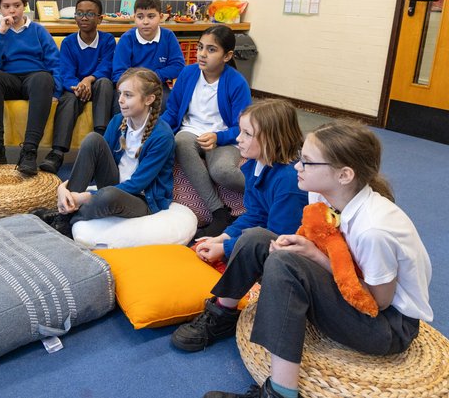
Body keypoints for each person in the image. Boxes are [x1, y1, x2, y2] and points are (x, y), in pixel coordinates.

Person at [173, 121, 432, 398]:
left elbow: (378, 301)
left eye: (307, 162)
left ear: (344, 175)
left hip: (386, 326)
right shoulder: (322, 193)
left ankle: (281, 393)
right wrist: (303, 246)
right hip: (353, 297)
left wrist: (314, 257)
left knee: (285, 265)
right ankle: (223, 315)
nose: (297, 166)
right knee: (257, 237)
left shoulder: (374, 230)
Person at [37, 68, 174, 237]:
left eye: (128, 95)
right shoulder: (118, 121)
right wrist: (63, 187)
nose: (121, 100)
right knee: (93, 139)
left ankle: (66, 218)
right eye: (120, 94)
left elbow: (137, 184)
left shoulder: (162, 136)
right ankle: (64, 212)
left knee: (108, 196)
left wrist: (86, 196)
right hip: (114, 182)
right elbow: (98, 162)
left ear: (149, 99)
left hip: (142, 198)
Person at [193, 99, 308, 266]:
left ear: (272, 139)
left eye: (247, 133)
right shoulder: (256, 163)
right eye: (240, 131)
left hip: (285, 257)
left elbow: (278, 239)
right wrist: (223, 238)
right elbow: (256, 214)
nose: (238, 138)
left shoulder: (289, 182)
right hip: (267, 244)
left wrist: (226, 249)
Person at [161, 25, 251, 236]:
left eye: (211, 50)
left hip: (224, 139)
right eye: (201, 47)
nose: (202, 54)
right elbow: (172, 111)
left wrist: (218, 137)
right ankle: (219, 211)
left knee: (222, 171)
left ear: (227, 55)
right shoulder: (188, 73)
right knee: (181, 141)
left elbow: (243, 126)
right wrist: (157, 131)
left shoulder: (237, 82)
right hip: (190, 133)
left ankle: (268, 193)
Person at [0, 0, 61, 175]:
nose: (12, 11)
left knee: (43, 77)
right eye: (6, 6)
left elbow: (54, 62)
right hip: (9, 81)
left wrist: (56, 90)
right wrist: (1, 33)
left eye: (17, 5)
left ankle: (29, 151)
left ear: (25, 6)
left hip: (35, 80)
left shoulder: (39, 31)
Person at [39, 0, 116, 174]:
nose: (83, 17)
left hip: (97, 85)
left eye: (90, 14)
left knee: (105, 83)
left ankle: (101, 141)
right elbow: (65, 72)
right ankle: (57, 153)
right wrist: (78, 86)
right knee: (68, 100)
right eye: (79, 13)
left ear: (100, 19)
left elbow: (107, 67)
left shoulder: (107, 40)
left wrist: (88, 80)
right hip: (75, 89)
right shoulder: (68, 43)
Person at [111, 0, 184, 111]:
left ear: (160, 17)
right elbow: (118, 73)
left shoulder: (168, 36)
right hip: (130, 88)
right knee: (119, 107)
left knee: (167, 105)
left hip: (157, 86)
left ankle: (160, 129)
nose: (145, 22)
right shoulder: (127, 39)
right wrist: (137, 84)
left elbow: (178, 66)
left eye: (151, 16)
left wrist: (153, 77)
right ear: (134, 17)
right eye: (140, 17)